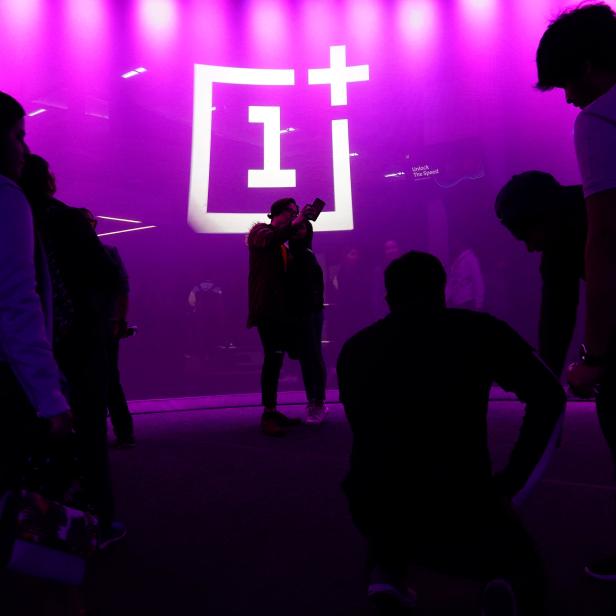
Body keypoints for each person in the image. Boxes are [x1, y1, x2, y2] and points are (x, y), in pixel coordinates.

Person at [337, 251, 565, 615]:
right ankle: (499, 577)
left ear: (387, 296)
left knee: (390, 503)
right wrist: (511, 483)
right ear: (442, 290)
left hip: (372, 500)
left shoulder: (354, 349)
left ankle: (387, 571)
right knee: (524, 570)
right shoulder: (477, 330)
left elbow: (364, 431)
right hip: (459, 496)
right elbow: (549, 395)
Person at [536, 2, 616, 579]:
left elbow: (607, 238)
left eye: (567, 81)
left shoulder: (600, 121)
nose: (567, 97)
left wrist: (592, 357)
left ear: (589, 66)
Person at [19, 154, 125, 547]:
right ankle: (98, 521)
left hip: (28, 347)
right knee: (89, 433)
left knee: (34, 439)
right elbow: (107, 275)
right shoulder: (65, 219)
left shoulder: (17, 218)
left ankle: (36, 526)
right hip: (77, 343)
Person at [0, 92, 72, 499]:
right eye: (17, 136)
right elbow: (16, 304)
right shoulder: (7, 197)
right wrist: (49, 397)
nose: (24, 150)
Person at [247, 197, 312, 436]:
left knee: (277, 358)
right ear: (279, 213)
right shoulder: (260, 232)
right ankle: (268, 413)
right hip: (267, 308)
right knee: (272, 358)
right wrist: (297, 221)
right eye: (292, 212)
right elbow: (272, 238)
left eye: (296, 212)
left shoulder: (283, 244)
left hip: (279, 309)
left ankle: (272, 411)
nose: (295, 216)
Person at [288, 221, 327, 424]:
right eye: (295, 228)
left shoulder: (305, 255)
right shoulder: (291, 254)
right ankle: (313, 401)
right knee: (306, 357)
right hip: (302, 312)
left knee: (312, 355)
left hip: (309, 311)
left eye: (303, 227)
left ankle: (316, 402)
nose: (298, 230)